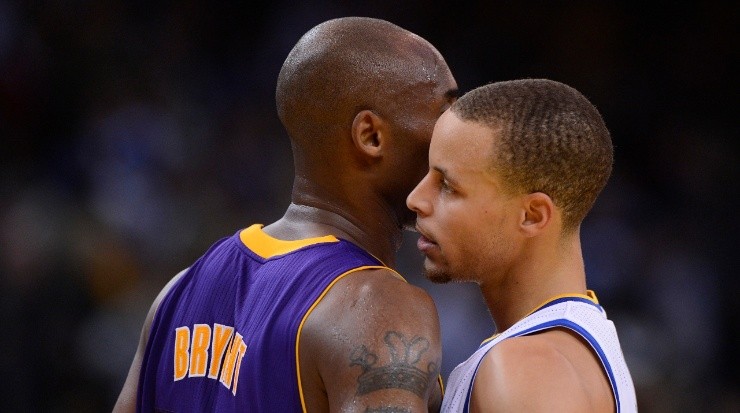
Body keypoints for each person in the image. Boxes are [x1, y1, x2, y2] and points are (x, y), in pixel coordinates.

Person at [113, 16, 458, 412]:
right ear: (371, 137)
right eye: (446, 112)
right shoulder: (377, 305)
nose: (459, 132)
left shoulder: (176, 294)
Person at [406, 79, 637, 412]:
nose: (416, 199)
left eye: (447, 186)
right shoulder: (557, 353)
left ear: (531, 216)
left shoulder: (527, 369)